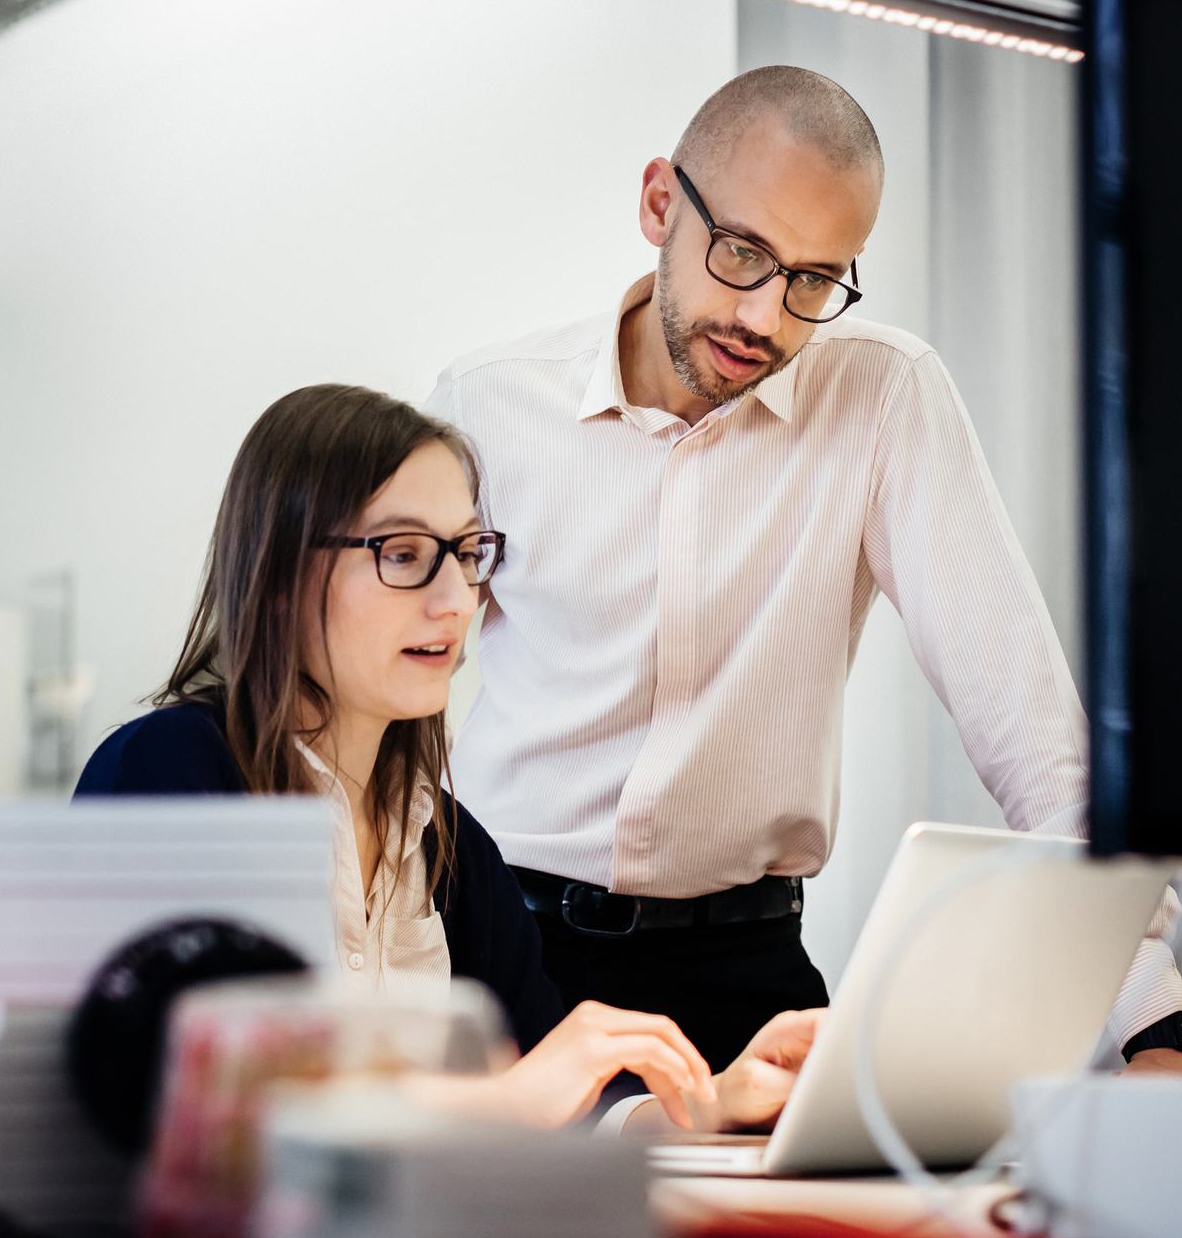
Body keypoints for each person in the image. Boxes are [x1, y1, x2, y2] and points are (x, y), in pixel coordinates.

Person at [426, 65, 1182, 1090]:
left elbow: (1035, 738)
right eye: (741, 251)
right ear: (662, 201)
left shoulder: (885, 397)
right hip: (501, 951)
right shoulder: (490, 404)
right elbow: (376, 696)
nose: (764, 316)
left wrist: (1156, 1022)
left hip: (743, 975)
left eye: (811, 280)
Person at [75, 383, 821, 1133]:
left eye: (467, 554)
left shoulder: (454, 847)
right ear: (277, 572)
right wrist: (504, 1100)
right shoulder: (168, 772)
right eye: (402, 554)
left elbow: (549, 1110)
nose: (458, 600)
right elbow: (177, 1094)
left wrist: (711, 1101)